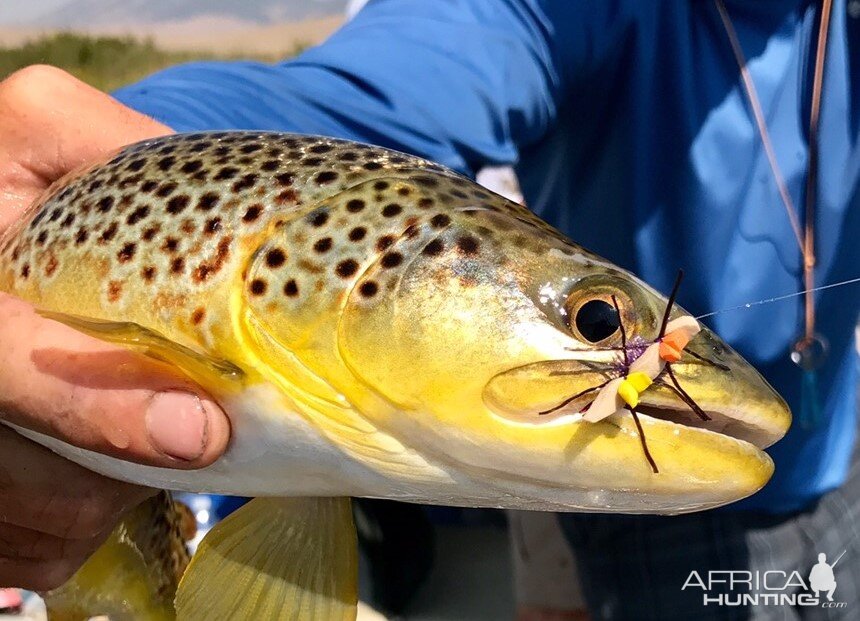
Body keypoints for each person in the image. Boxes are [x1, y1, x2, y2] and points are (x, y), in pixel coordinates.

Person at [0, 1, 857, 618]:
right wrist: (126, 150)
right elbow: (356, 93)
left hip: (828, 478)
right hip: (623, 512)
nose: (605, 332)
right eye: (597, 320)